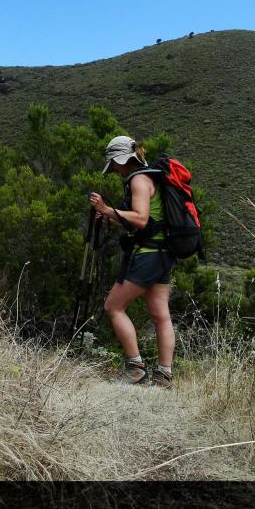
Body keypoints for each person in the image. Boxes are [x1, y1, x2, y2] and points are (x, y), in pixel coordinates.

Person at [88, 135, 175, 388]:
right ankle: (164, 375)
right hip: (162, 254)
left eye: (114, 164)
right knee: (161, 315)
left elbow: (140, 220)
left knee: (113, 306)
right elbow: (142, 222)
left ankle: (135, 368)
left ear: (123, 160)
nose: (113, 169)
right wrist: (112, 218)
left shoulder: (138, 180)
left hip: (147, 256)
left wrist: (106, 210)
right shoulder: (149, 177)